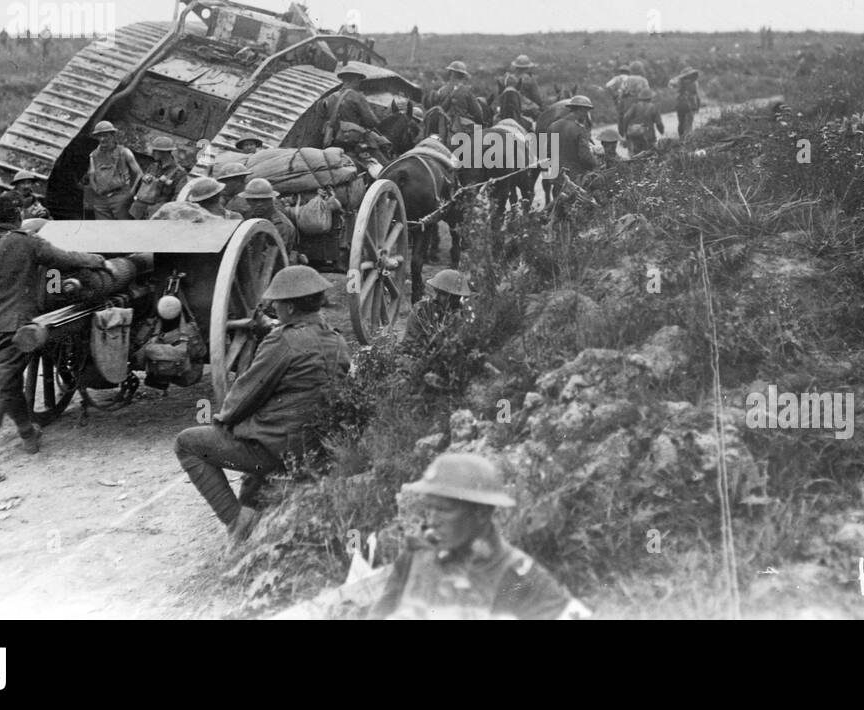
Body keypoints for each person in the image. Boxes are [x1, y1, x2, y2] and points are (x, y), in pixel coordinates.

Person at [174, 265, 350, 544]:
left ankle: (235, 527)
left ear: (290, 309)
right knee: (259, 443)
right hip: (318, 448)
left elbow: (247, 392)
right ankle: (249, 523)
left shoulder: (283, 340)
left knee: (188, 444)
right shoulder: (338, 341)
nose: (274, 308)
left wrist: (223, 421)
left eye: (277, 303)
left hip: (282, 452)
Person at [0, 194, 107, 484]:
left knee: (8, 384)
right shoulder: (28, 242)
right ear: (17, 218)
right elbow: (65, 259)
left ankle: (28, 435)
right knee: (2, 390)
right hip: (16, 327)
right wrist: (96, 260)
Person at [368, 453, 586, 620]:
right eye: (429, 509)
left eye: (443, 510)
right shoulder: (416, 556)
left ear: (481, 513)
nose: (432, 521)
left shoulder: (517, 577)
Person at [82, 121, 142, 220]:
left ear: (113, 135)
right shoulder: (94, 155)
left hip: (121, 197)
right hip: (101, 200)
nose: (102, 139)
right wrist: (96, 190)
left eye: (105, 135)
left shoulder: (124, 152)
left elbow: (139, 173)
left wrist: (131, 193)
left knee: (123, 228)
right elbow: (91, 174)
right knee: (103, 230)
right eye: (99, 136)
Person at [402, 269, 472, 350]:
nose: (436, 297)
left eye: (442, 293)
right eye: (436, 291)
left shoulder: (465, 316)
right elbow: (409, 342)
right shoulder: (421, 309)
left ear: (456, 297)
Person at [129, 136, 188, 220]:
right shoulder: (153, 166)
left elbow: (178, 198)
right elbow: (141, 185)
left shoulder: (180, 173)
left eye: (155, 151)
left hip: (157, 214)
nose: (152, 153)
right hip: (138, 211)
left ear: (164, 152)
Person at [237, 178, 299, 254]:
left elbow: (271, 258)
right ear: (247, 201)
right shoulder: (249, 217)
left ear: (271, 199)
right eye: (254, 200)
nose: (259, 204)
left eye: (263, 200)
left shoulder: (281, 225)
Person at [620, 87, 665, 155]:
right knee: (650, 155)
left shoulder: (635, 106)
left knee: (635, 155)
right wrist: (662, 131)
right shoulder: (654, 107)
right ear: (650, 98)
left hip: (635, 135)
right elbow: (658, 123)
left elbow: (626, 118)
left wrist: (625, 132)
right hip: (649, 137)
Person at [673, 69, 701, 139]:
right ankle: (687, 139)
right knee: (688, 124)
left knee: (681, 123)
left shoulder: (679, 83)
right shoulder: (694, 83)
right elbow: (697, 96)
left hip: (680, 105)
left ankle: (681, 138)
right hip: (690, 105)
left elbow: (670, 84)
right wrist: (698, 106)